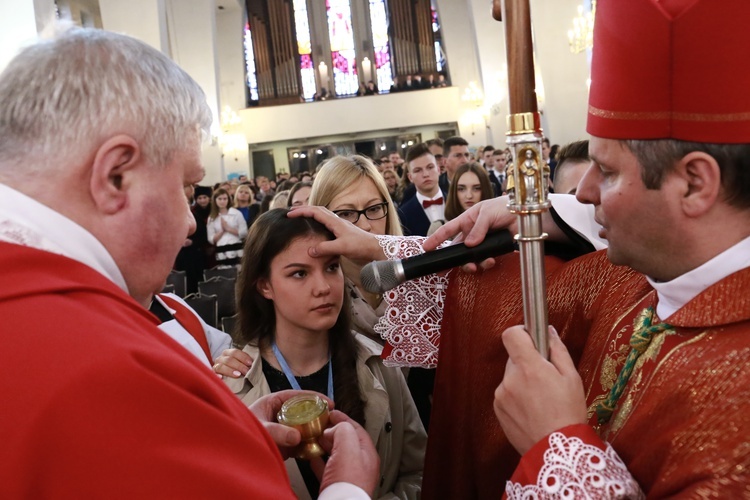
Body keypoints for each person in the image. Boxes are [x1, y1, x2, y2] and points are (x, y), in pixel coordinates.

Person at [0, 26, 377, 499]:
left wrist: (231, 443)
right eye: (185, 188)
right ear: (115, 176)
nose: (190, 222)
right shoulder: (102, 368)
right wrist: (348, 491)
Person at [223, 209, 426, 500]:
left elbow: (418, 471)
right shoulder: (234, 384)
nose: (323, 288)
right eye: (299, 273)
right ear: (265, 285)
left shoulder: (378, 364)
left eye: (331, 267)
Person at [207, 187, 248, 264]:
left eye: (225, 199)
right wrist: (221, 231)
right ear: (215, 200)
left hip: (236, 247)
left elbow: (244, 233)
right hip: (221, 249)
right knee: (224, 273)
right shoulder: (212, 218)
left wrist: (228, 229)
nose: (222, 201)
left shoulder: (236, 213)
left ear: (228, 200)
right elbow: (211, 239)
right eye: (220, 199)